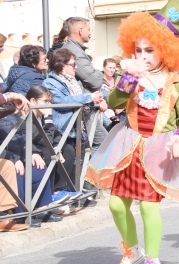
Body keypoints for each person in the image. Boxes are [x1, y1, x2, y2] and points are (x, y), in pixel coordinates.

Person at [86, 0, 179, 264]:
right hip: (127, 144)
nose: (142, 55)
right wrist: (128, 79)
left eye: (149, 50)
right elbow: (114, 101)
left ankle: (153, 260)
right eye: (138, 49)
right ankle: (131, 251)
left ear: (165, 51)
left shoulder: (177, 81)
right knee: (116, 204)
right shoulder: (131, 77)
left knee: (149, 206)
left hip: (158, 148)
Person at [43, 48, 104, 195]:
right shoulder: (50, 82)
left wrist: (97, 100)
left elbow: (79, 98)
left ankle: (75, 192)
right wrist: (88, 98)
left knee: (76, 160)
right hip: (62, 128)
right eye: (73, 64)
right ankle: (59, 194)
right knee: (66, 160)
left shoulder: (72, 81)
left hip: (75, 128)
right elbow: (61, 101)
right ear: (62, 65)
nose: (76, 67)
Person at [0, 85, 64, 226]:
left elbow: (22, 134)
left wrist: (33, 152)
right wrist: (14, 158)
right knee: (17, 171)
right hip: (6, 155)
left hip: (19, 152)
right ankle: (20, 214)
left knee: (38, 167)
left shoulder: (10, 107)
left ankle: (41, 208)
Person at [61, 17, 109, 148]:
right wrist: (97, 73)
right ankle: (91, 169)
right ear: (80, 30)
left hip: (85, 106)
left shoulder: (76, 50)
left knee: (95, 143)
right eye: (88, 29)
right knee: (103, 143)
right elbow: (95, 81)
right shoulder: (74, 51)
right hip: (82, 107)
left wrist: (94, 73)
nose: (90, 33)